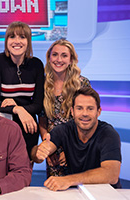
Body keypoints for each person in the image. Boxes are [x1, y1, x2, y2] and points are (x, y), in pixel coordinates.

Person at [32, 87, 121, 191]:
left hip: (107, 193)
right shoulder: (63, 130)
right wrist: (38, 153)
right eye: (79, 108)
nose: (85, 113)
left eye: (90, 108)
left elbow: (111, 175)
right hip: (76, 193)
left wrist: (68, 180)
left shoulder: (109, 134)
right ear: (72, 111)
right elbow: (41, 152)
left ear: (99, 111)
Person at [0, 21, 44, 161]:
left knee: (24, 173)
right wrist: (17, 110)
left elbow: (38, 105)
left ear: (28, 41)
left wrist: (20, 108)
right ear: (6, 41)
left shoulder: (36, 65)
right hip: (2, 127)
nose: (17, 41)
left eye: (22, 37)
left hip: (28, 126)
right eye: (12, 37)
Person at [38, 39, 91, 177]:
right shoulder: (43, 84)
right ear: (49, 58)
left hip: (77, 148)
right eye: (55, 55)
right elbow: (43, 120)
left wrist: (71, 150)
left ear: (71, 59)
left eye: (64, 55)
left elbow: (87, 121)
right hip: (53, 152)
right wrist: (48, 148)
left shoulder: (82, 84)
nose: (59, 59)